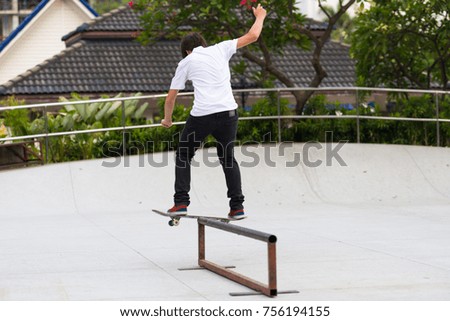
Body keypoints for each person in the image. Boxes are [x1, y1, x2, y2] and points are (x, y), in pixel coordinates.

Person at [161, 4, 267, 219]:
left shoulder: (186, 61)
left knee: (183, 155)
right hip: (229, 113)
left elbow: (171, 97)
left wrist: (167, 119)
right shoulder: (221, 48)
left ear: (187, 50)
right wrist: (261, 15)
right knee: (228, 158)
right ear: (203, 44)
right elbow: (254, 35)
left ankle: (181, 202)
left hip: (202, 116)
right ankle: (237, 207)